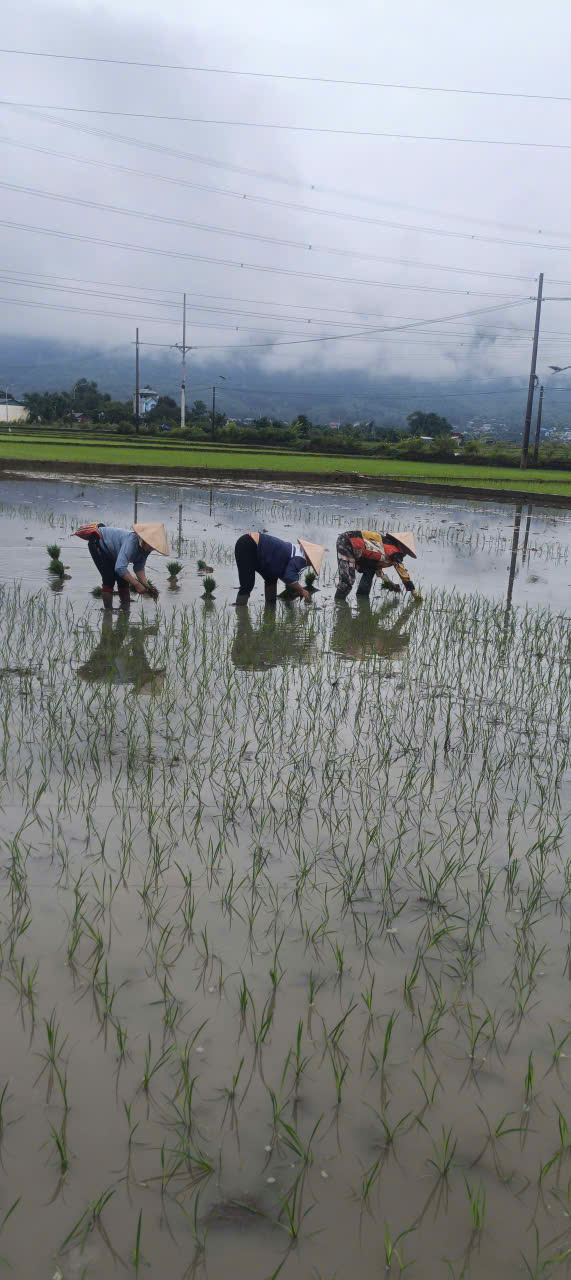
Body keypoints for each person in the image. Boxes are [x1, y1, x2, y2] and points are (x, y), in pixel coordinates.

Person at [73, 521, 169, 609]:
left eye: (154, 547)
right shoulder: (132, 542)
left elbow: (139, 567)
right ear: (145, 540)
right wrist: (136, 584)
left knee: (123, 580)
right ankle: (108, 612)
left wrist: (145, 585)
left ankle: (125, 609)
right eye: (151, 546)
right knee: (109, 578)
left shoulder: (146, 549)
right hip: (98, 542)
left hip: (113, 552)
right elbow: (120, 568)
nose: (152, 549)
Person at [233, 532, 325, 606]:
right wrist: (302, 590)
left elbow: (283, 574)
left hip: (251, 544)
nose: (309, 565)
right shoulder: (301, 558)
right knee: (247, 585)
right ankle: (241, 613)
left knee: (271, 577)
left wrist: (297, 589)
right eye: (311, 564)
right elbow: (289, 577)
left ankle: (270, 610)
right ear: (310, 558)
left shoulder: (297, 549)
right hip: (248, 545)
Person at [334, 529, 421, 601]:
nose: (405, 555)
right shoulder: (394, 551)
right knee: (347, 581)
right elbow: (402, 572)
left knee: (369, 571)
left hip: (355, 549)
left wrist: (390, 584)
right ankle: (338, 604)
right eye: (406, 551)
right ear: (401, 546)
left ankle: (362, 597)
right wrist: (414, 592)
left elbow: (376, 565)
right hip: (347, 542)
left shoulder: (384, 545)